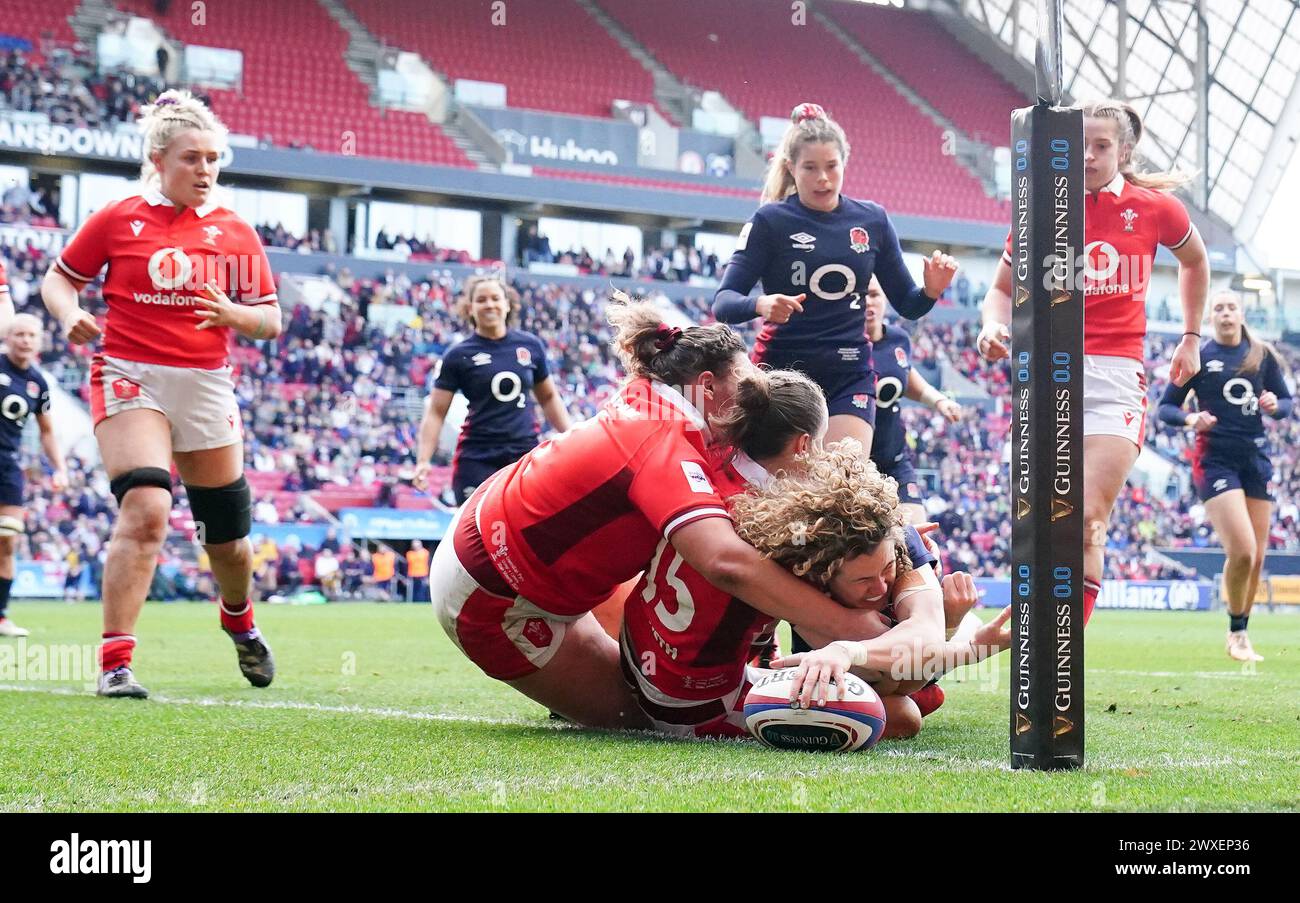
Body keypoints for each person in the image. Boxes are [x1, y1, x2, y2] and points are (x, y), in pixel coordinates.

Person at [430, 297, 887, 728]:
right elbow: (724, 561)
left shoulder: (657, 402)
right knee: (642, 716)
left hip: (502, 540)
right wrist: (847, 626)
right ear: (708, 386)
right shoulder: (663, 436)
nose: (758, 397)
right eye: (747, 384)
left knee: (653, 665)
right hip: (496, 592)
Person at [40, 89, 283, 697]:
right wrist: (69, 313)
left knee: (226, 539)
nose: (205, 171)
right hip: (129, 372)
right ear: (158, 159)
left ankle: (239, 619)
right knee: (147, 508)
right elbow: (59, 278)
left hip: (204, 384)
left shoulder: (233, 231)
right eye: (192, 159)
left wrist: (237, 315)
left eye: (213, 159)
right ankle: (115, 663)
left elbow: (271, 318)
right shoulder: (118, 216)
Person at [977, 98, 1210, 624]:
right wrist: (993, 324)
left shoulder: (1155, 209)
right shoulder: (1040, 209)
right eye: (1076, 144)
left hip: (1115, 377)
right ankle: (1032, 628)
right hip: (1045, 376)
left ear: (1123, 150)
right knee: (1042, 520)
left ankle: (1061, 642)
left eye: (1100, 146)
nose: (1085, 155)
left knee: (1083, 518)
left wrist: (1191, 336)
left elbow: (1195, 260)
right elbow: (999, 290)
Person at [712, 102, 958, 457]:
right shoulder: (769, 222)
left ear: (845, 164)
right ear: (791, 168)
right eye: (810, 168)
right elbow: (724, 302)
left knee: (844, 486)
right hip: (781, 373)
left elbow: (907, 302)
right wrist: (760, 303)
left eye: (831, 166)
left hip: (849, 372)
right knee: (784, 488)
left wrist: (931, 290)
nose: (823, 178)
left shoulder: (873, 220)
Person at [1158, 291, 1293, 662]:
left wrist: (1273, 405)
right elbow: (1166, 407)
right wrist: (1191, 418)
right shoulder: (1199, 357)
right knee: (1243, 550)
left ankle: (1241, 634)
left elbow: (1285, 403)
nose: (1226, 314)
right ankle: (1235, 633)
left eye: (1231, 307)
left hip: (1255, 459)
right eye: (1218, 308)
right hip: (1214, 460)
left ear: (1242, 313)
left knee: (1257, 557)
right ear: (1209, 318)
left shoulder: (1261, 355)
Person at [413, 275, 571, 506]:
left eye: (496, 298)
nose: (489, 304)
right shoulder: (458, 355)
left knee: (527, 530)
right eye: (482, 299)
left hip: (524, 453)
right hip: (477, 457)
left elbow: (547, 397)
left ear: (507, 305)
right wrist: (423, 460)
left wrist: (570, 434)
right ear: (470, 308)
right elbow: (437, 411)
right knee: (477, 534)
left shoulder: (530, 346)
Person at [862, 276, 962, 525]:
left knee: (919, 540)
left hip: (894, 462)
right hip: (853, 466)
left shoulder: (898, 339)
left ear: (884, 298)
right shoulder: (838, 343)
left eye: (874, 294)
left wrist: (938, 401)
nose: (867, 302)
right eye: (860, 295)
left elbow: (904, 374)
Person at [0, 313, 67, 636]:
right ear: (8, 337)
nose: (25, 340)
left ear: (39, 342)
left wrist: (61, 467)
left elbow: (47, 431)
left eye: (31, 335)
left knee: (7, 541)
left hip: (8, 467)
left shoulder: (38, 383)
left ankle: (0, 616)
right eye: (19, 334)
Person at [405, 538, 429, 602]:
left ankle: (422, 603)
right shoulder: (409, 554)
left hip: (423, 575)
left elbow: (429, 564)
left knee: (422, 591)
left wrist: (428, 577)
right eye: (414, 545)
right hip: (412, 575)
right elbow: (406, 566)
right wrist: (406, 577)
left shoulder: (425, 553)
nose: (416, 547)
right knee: (413, 592)